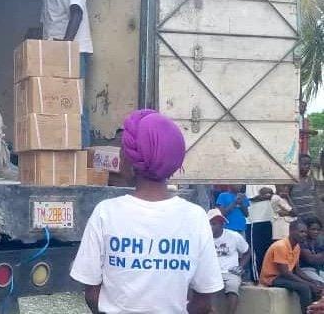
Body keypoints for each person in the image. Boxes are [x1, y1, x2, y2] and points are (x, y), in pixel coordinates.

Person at [70, 109, 223, 314]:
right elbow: (204, 301)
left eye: (122, 150)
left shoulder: (106, 213)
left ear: (129, 160)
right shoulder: (195, 217)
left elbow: (91, 294)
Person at [28, 0, 93, 147]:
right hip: (53, 54)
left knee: (74, 106)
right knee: (55, 107)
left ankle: (81, 156)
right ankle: (60, 156)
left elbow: (77, 13)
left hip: (73, 52)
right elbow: (47, 24)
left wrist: (65, 49)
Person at [260, 220, 323, 313]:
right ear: (291, 231)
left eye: (305, 232)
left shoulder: (296, 247)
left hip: (284, 276)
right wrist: (309, 284)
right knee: (304, 288)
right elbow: (285, 273)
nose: (304, 234)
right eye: (301, 232)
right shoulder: (281, 246)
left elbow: (297, 270)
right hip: (272, 278)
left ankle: (315, 311)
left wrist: (313, 282)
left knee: (318, 285)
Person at [209, 208, 250, 314]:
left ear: (222, 224)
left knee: (233, 286)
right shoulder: (204, 238)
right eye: (211, 224)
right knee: (206, 289)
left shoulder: (234, 236)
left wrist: (240, 266)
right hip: (211, 273)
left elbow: (247, 252)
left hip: (230, 272)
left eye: (216, 224)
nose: (213, 226)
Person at [245, 185, 275, 282]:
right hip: (255, 220)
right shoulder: (251, 181)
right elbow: (251, 198)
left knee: (268, 251)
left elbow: (274, 195)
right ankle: (256, 279)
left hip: (270, 219)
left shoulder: (272, 180)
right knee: (256, 252)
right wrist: (268, 195)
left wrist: (268, 194)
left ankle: (268, 278)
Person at [291, 154, 318, 221]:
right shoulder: (292, 180)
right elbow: (286, 196)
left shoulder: (312, 180)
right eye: (304, 164)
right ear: (298, 165)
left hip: (311, 217)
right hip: (297, 218)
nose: (307, 166)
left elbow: (315, 198)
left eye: (309, 164)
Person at [300, 217, 324, 283]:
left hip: (317, 270)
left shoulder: (317, 241)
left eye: (318, 230)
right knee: (321, 285)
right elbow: (311, 260)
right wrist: (318, 257)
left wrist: (318, 257)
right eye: (313, 229)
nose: (316, 232)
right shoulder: (302, 241)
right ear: (306, 229)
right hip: (304, 270)